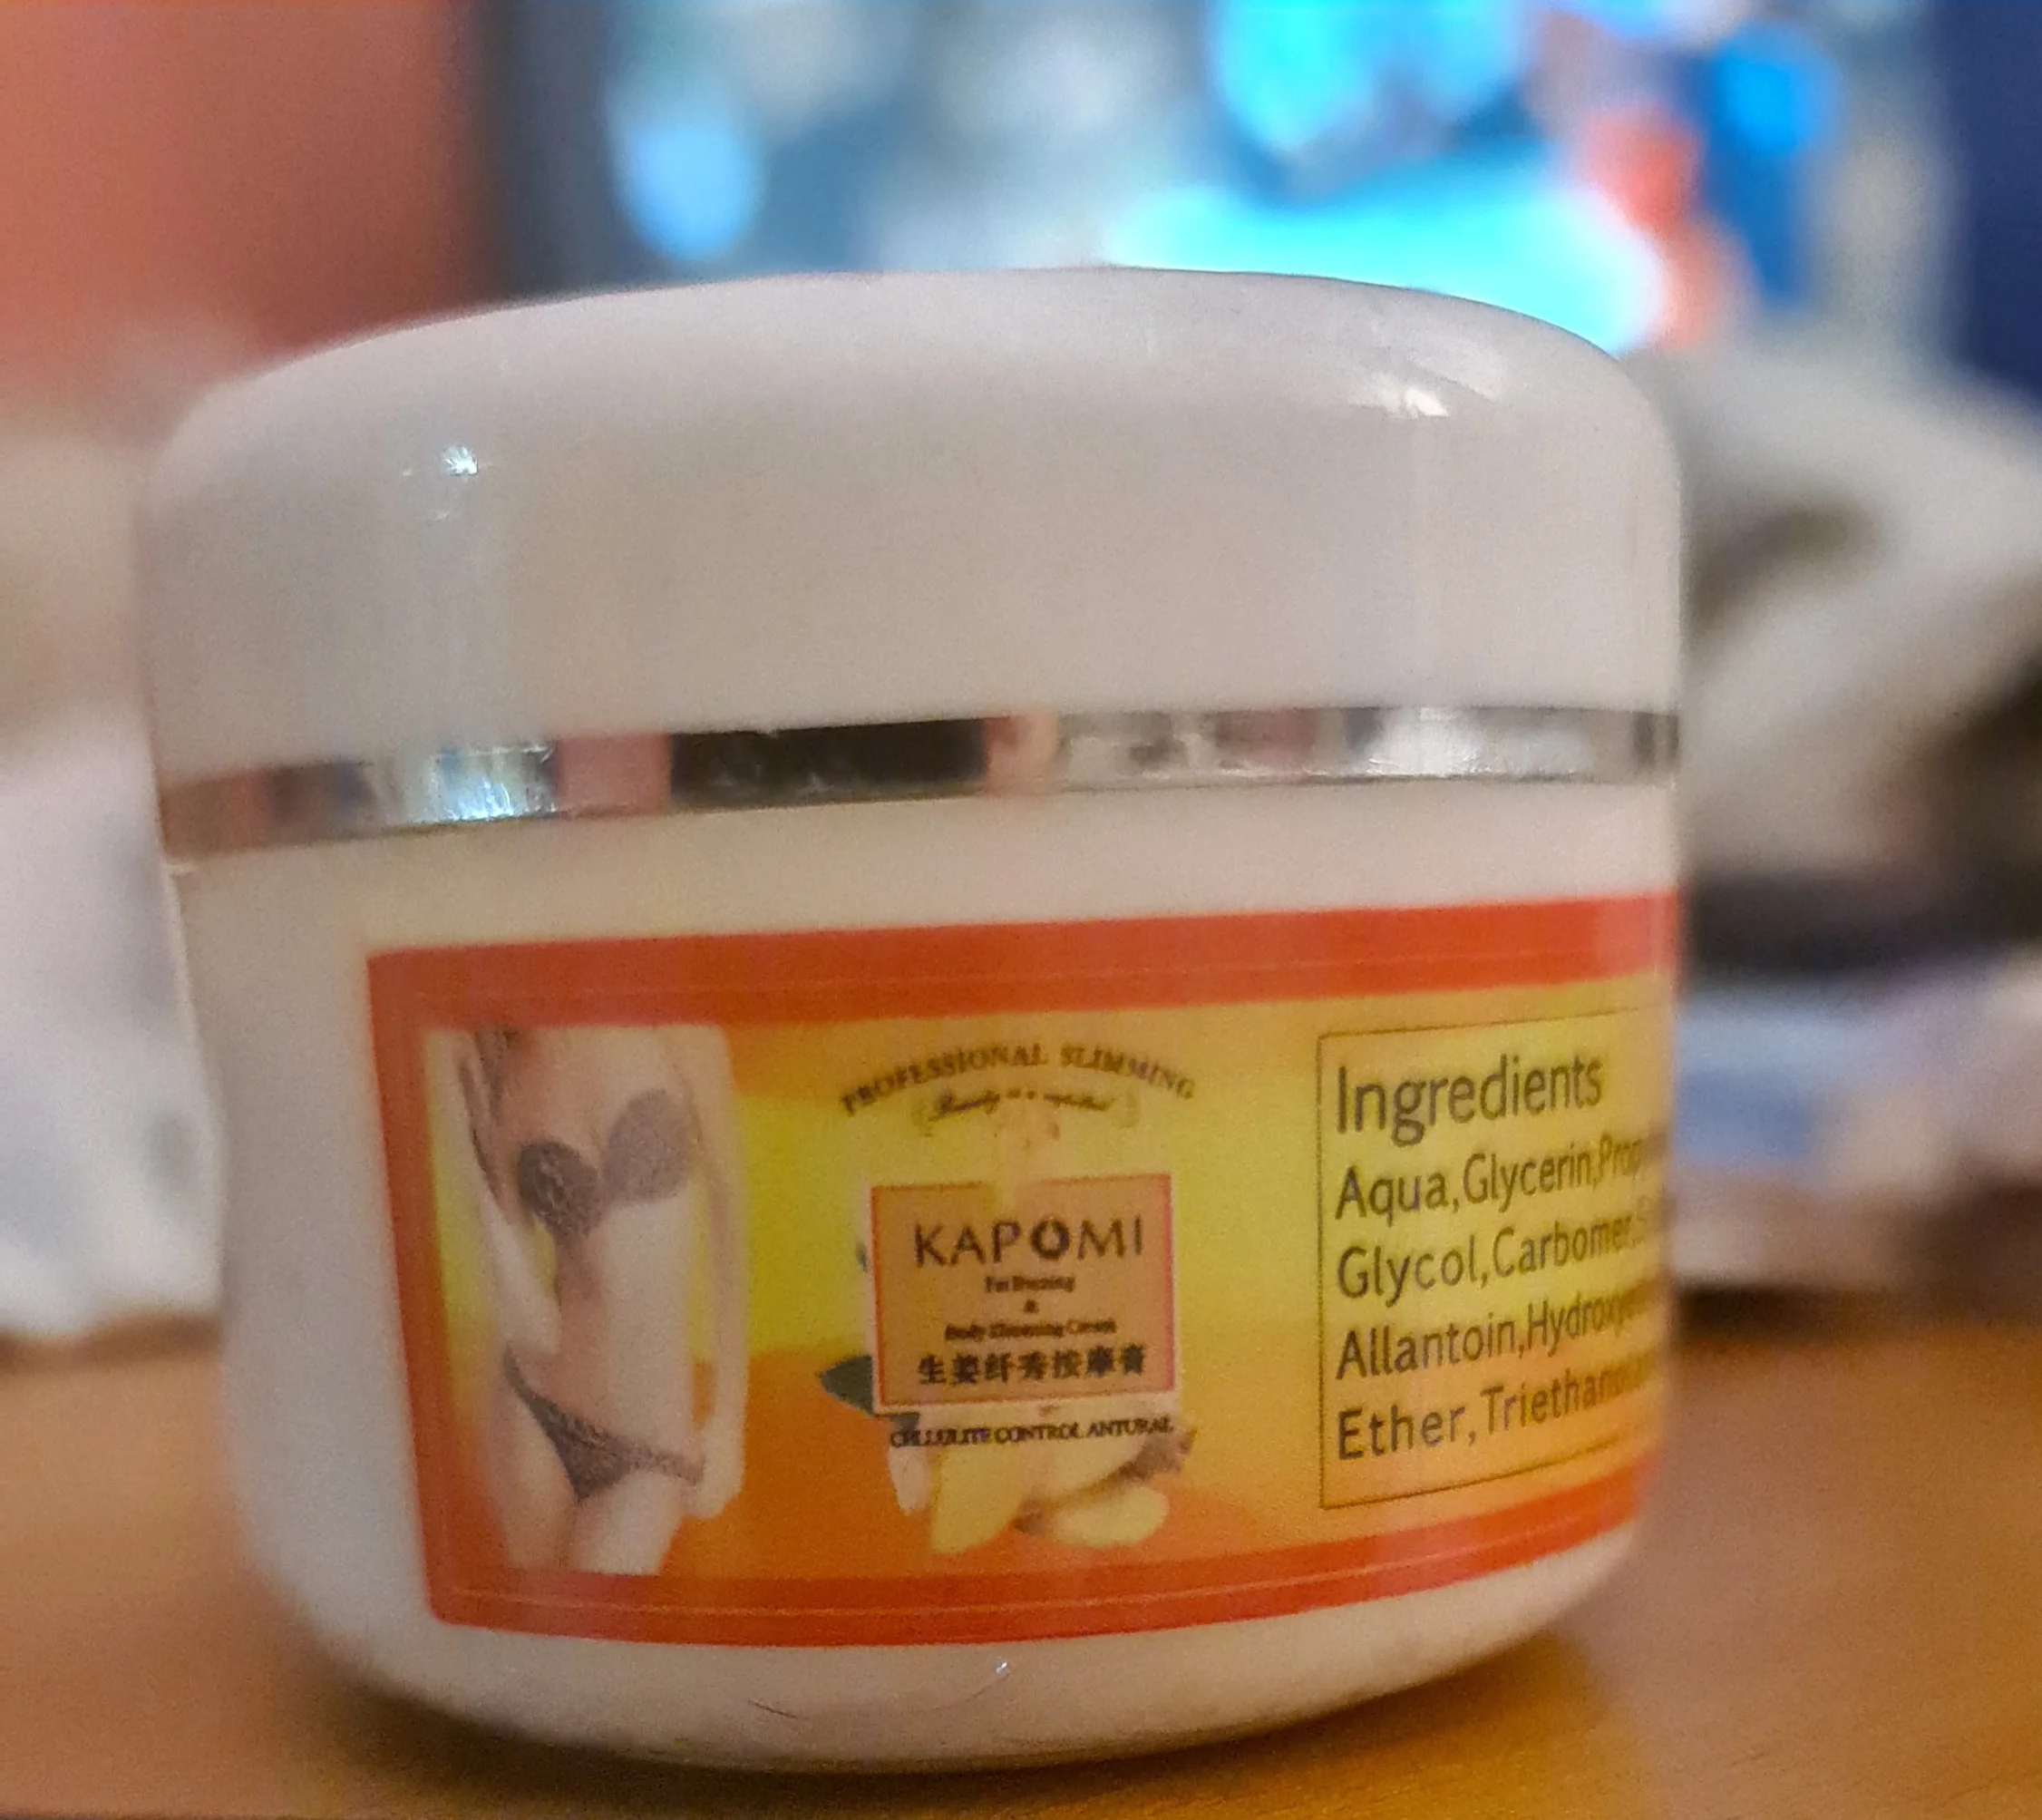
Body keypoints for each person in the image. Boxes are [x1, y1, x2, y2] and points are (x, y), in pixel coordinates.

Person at [439, 1024, 747, 1572]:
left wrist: (729, 1419)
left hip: (652, 1449)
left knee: (596, 1612)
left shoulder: (683, 1035)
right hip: (535, 1410)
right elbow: (529, 1316)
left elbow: (732, 1223)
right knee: (537, 1620)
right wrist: (464, 1141)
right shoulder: (506, 1064)